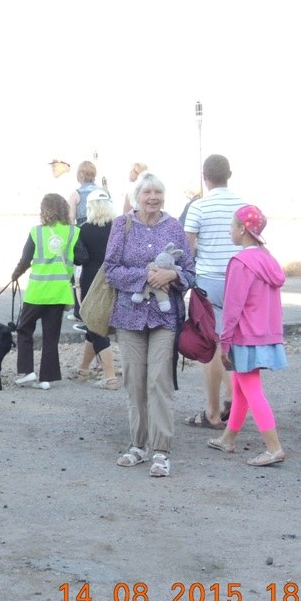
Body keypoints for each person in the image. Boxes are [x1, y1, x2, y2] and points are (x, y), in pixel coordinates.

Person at [105, 173, 195, 478]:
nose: (153, 197)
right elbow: (110, 270)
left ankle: (161, 451)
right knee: (134, 381)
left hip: (164, 317)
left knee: (159, 380)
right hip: (129, 316)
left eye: (158, 192)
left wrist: (173, 275)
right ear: (137, 196)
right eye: (147, 192)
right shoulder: (122, 225)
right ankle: (138, 446)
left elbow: (190, 272)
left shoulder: (174, 227)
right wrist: (147, 276)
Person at [204, 205, 288, 466]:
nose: (230, 231)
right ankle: (228, 439)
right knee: (241, 386)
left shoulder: (241, 262)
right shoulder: (268, 259)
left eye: (231, 226)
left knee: (251, 389)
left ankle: (273, 448)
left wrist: (224, 342)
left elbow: (232, 307)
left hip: (245, 335)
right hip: (265, 334)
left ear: (242, 229)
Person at [181, 154, 246, 429]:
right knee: (234, 341)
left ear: (205, 177)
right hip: (240, 279)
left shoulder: (198, 207)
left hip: (208, 282)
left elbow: (187, 248)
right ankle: (233, 401)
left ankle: (212, 411)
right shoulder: (243, 205)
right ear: (229, 175)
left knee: (211, 344)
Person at [11, 194, 77, 390]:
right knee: (51, 336)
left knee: (24, 328)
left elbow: (26, 259)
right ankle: (47, 377)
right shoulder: (73, 232)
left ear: (44, 210)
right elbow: (82, 257)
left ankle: (27, 372)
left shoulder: (37, 232)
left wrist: (15, 274)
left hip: (38, 291)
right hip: (59, 292)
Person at [72, 189, 120, 389]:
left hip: (91, 282)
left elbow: (79, 259)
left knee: (94, 324)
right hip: (116, 279)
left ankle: (110, 377)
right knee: (93, 325)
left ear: (89, 207)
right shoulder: (119, 228)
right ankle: (83, 369)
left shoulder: (83, 229)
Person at [67, 160, 100, 226]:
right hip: (103, 228)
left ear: (81, 175)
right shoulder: (103, 192)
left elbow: (71, 219)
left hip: (84, 229)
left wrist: (72, 230)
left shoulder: (76, 194)